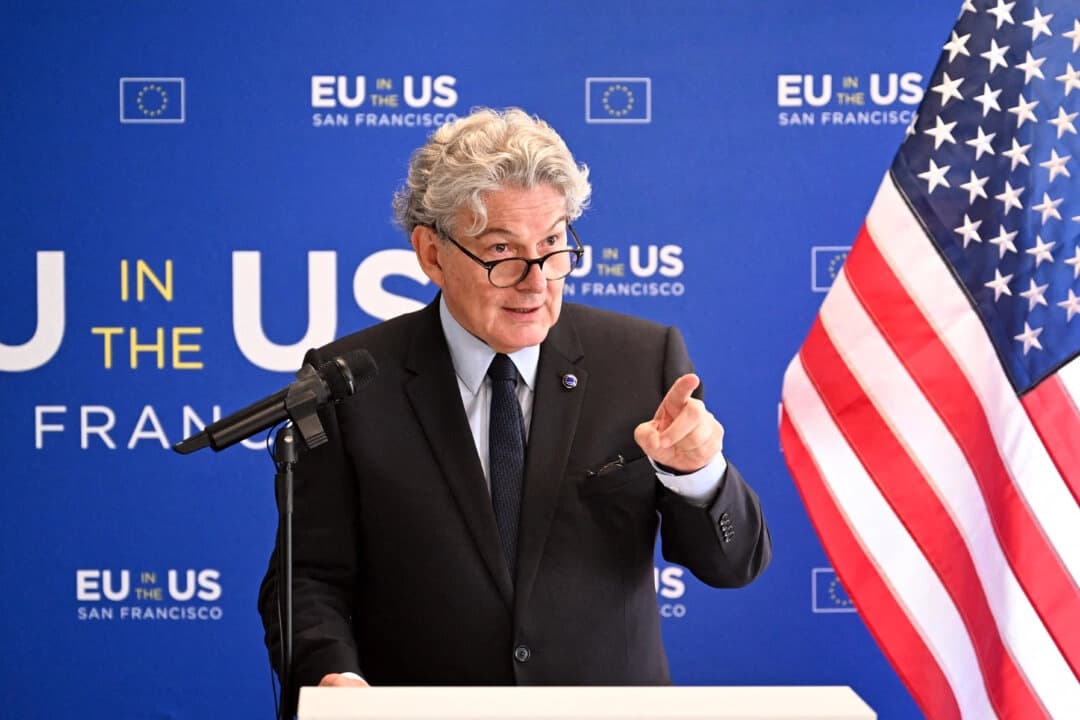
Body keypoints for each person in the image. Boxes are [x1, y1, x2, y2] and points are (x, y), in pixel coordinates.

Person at [258, 107, 771, 713]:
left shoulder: (643, 360)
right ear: (431, 254)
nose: (536, 282)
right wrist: (331, 676)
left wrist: (698, 474)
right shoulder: (349, 381)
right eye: (501, 250)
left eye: (552, 246)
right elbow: (307, 578)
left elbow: (733, 565)